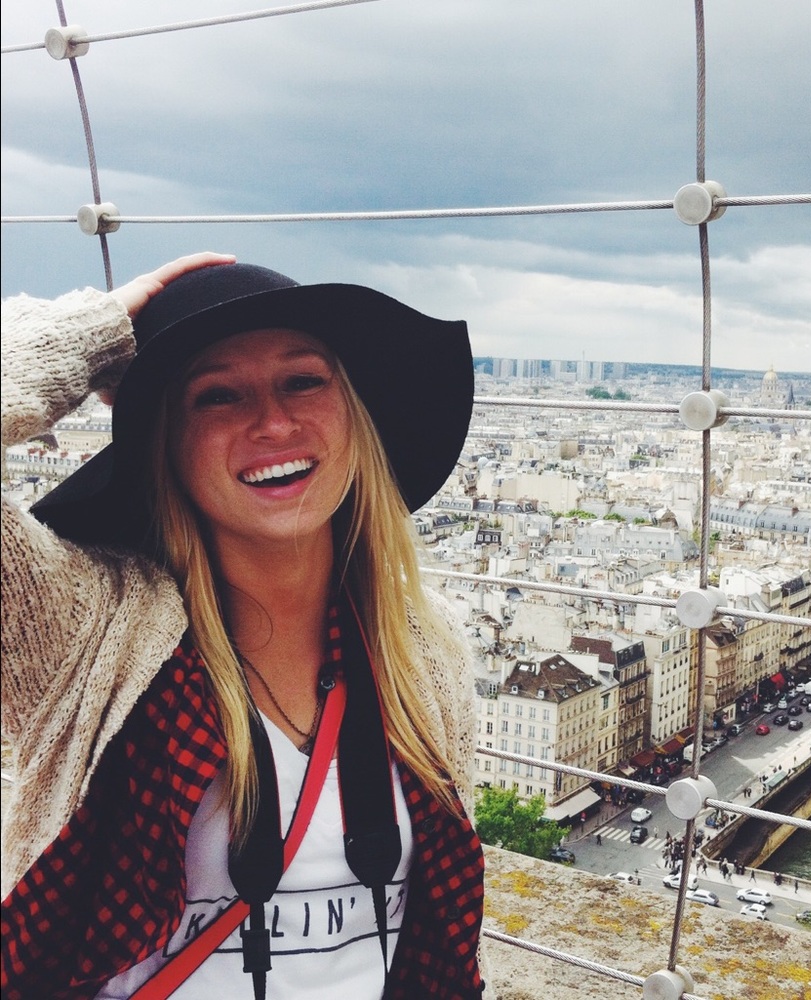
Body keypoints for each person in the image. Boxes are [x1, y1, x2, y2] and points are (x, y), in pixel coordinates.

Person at [1, 256, 487, 999]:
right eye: (218, 395)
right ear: (165, 445)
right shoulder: (83, 631)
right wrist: (91, 338)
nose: (274, 422)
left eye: (304, 380)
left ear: (354, 414)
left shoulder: (424, 650)